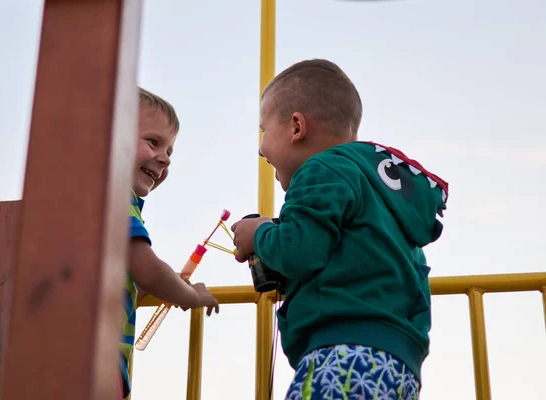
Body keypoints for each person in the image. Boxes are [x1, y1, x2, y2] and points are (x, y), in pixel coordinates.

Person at [231, 59, 448, 400]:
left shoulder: (321, 170)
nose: (261, 148)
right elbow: (351, 263)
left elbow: (299, 252)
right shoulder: (381, 192)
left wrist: (258, 234)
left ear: (296, 127)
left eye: (263, 130)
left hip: (343, 355)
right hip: (397, 364)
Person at [119, 88, 220, 399]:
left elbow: (136, 274)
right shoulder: (112, 197)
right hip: (90, 360)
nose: (164, 159)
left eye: (170, 152)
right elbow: (146, 269)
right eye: (153, 142)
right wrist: (191, 295)